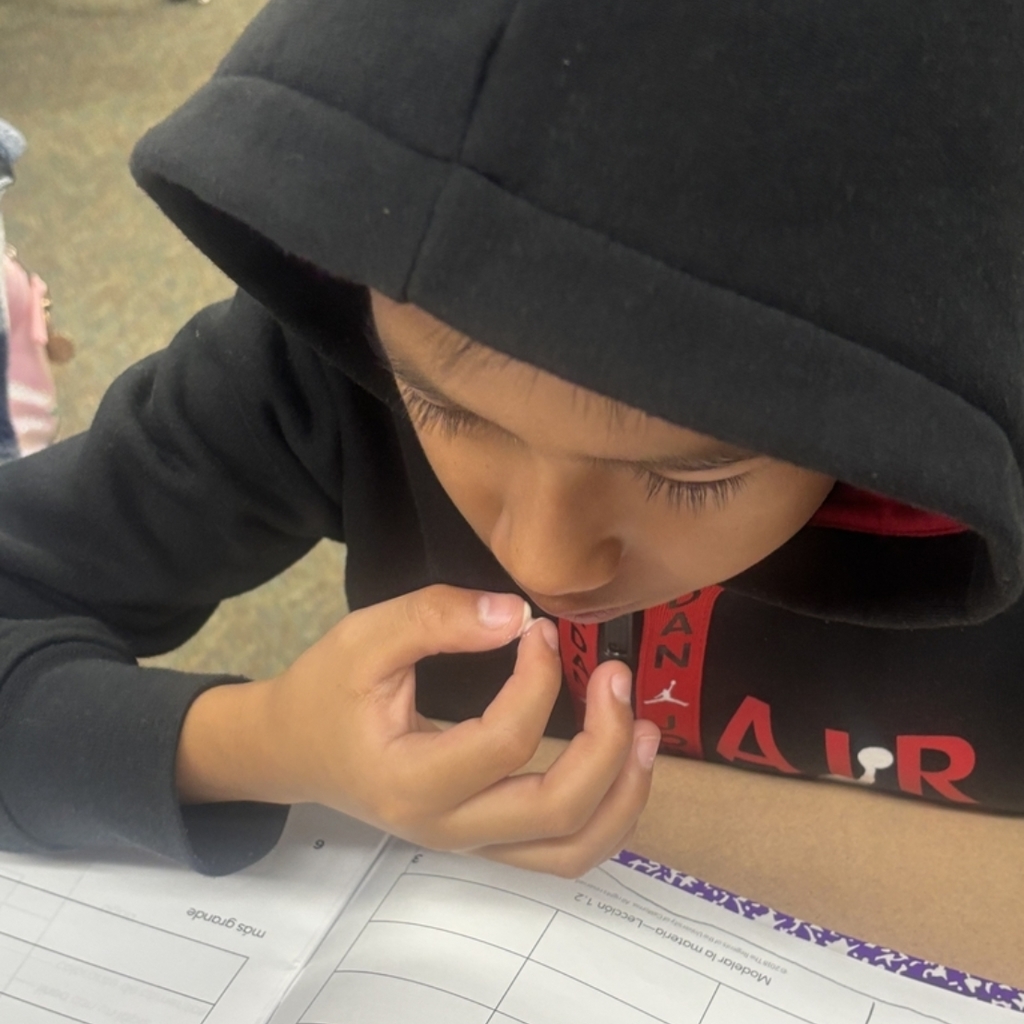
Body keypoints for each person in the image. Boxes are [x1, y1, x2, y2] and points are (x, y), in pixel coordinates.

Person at [0, 0, 1022, 882]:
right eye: (444, 407)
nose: (542, 559)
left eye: (695, 471)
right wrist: (258, 743)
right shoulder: (327, 358)